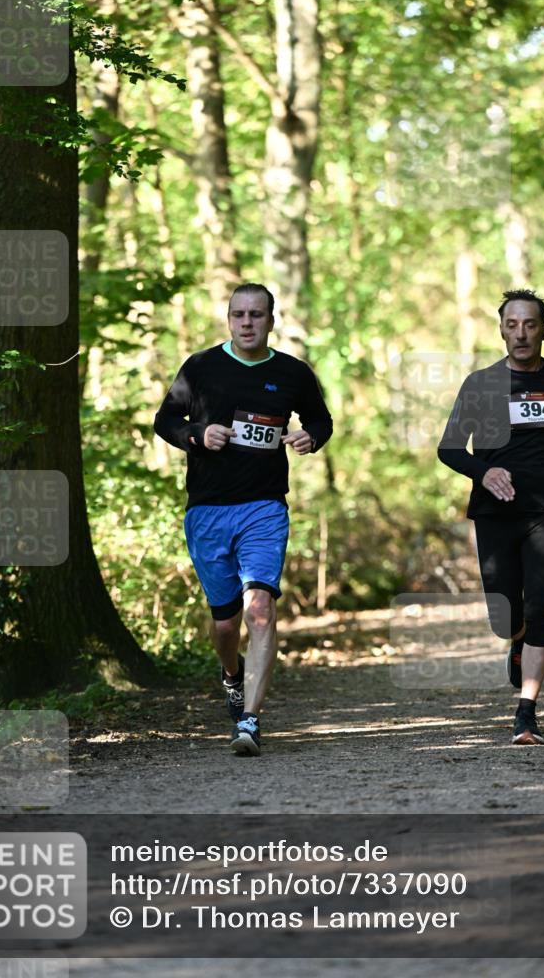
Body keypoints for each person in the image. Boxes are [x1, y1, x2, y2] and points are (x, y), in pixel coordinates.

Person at [154, 283, 333, 756]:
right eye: (239, 314)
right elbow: (164, 420)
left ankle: (250, 719)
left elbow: (321, 421)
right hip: (208, 509)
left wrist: (310, 437)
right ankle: (232, 674)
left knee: (260, 610)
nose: (247, 322)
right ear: (229, 319)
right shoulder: (200, 367)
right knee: (225, 626)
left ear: (271, 320)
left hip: (264, 507)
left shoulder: (292, 372)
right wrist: (197, 434)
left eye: (257, 315)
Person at [438, 289, 544, 745]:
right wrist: (484, 472)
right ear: (501, 330)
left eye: (530, 324)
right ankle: (517, 639)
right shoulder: (480, 384)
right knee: (505, 618)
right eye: (512, 325)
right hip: (495, 514)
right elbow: (449, 449)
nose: (521, 333)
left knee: (540, 608)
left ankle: (526, 712)